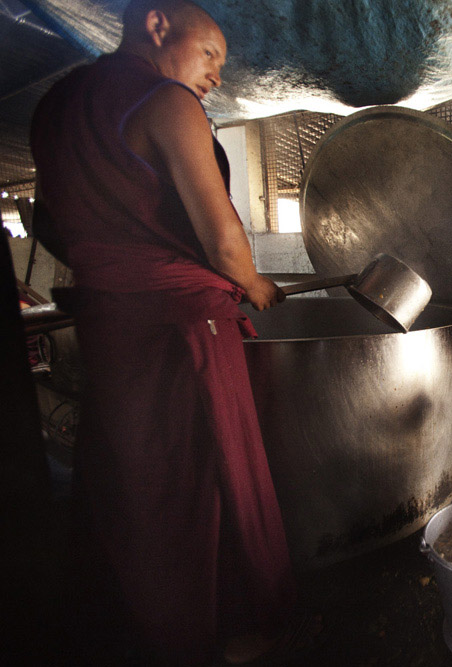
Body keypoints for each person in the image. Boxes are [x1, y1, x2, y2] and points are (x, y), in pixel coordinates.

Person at [29, 1, 305, 663]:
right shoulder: (166, 101)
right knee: (215, 476)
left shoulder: (58, 106)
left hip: (110, 325)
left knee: (131, 479)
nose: (214, 75)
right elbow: (225, 240)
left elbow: (48, 225)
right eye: (210, 54)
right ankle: (233, 630)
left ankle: (132, 633)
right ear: (156, 25)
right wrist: (255, 284)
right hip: (185, 329)